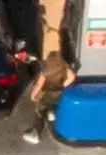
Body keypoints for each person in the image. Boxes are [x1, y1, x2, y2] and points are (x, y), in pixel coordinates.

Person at [19, 0, 72, 143]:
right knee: (49, 105)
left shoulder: (46, 68)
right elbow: (71, 78)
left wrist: (34, 94)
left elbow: (40, 82)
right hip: (57, 89)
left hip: (47, 90)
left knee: (38, 111)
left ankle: (35, 133)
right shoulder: (63, 65)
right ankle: (51, 112)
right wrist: (62, 84)